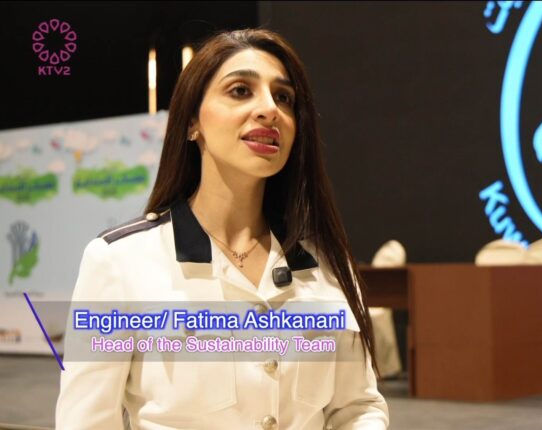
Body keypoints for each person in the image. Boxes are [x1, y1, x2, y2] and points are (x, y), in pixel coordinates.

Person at [55, 28, 389, 429]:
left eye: (283, 97)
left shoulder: (329, 266)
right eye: (240, 91)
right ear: (192, 122)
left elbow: (357, 409)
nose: (269, 109)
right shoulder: (119, 263)